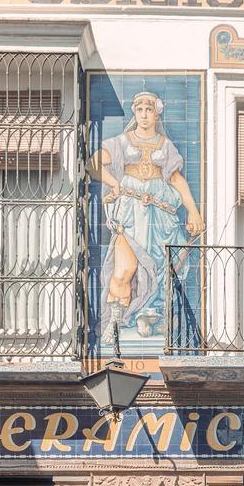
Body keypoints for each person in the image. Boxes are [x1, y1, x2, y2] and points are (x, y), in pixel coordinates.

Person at [88, 90, 204, 348]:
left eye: (149, 110)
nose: (143, 114)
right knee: (123, 270)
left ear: (156, 113)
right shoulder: (121, 142)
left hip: (158, 219)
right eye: (139, 110)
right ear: (134, 113)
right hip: (129, 216)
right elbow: (94, 164)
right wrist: (113, 184)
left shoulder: (165, 146)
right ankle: (114, 323)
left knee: (157, 272)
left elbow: (177, 181)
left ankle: (147, 317)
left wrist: (194, 212)